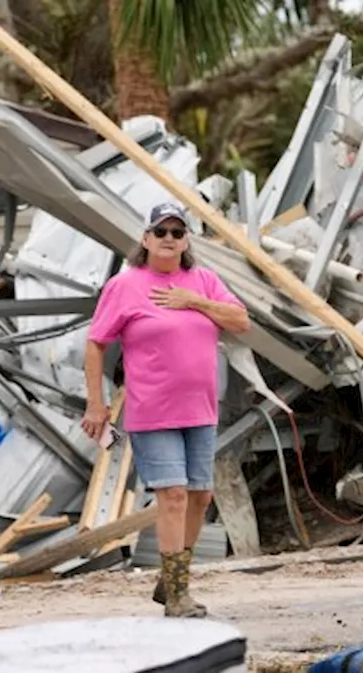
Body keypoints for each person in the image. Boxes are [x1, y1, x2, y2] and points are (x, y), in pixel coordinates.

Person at [82, 202, 250, 618]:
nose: (169, 239)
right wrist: (96, 404)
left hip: (202, 409)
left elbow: (241, 321)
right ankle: (178, 595)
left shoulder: (204, 281)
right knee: (172, 495)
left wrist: (193, 300)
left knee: (199, 496)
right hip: (153, 409)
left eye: (177, 232)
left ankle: (170, 578)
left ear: (186, 240)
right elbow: (96, 343)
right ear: (145, 239)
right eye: (161, 232)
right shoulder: (125, 286)